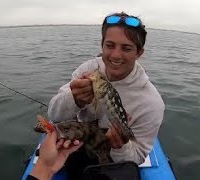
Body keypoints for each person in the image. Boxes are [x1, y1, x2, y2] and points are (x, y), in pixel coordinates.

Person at [47, 12, 165, 178]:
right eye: (110, 45)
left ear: (139, 53)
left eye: (126, 48)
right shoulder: (88, 70)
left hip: (112, 161)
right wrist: (73, 99)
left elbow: (137, 157)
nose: (116, 55)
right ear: (101, 46)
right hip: (77, 146)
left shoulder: (151, 103)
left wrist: (121, 147)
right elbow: (53, 115)